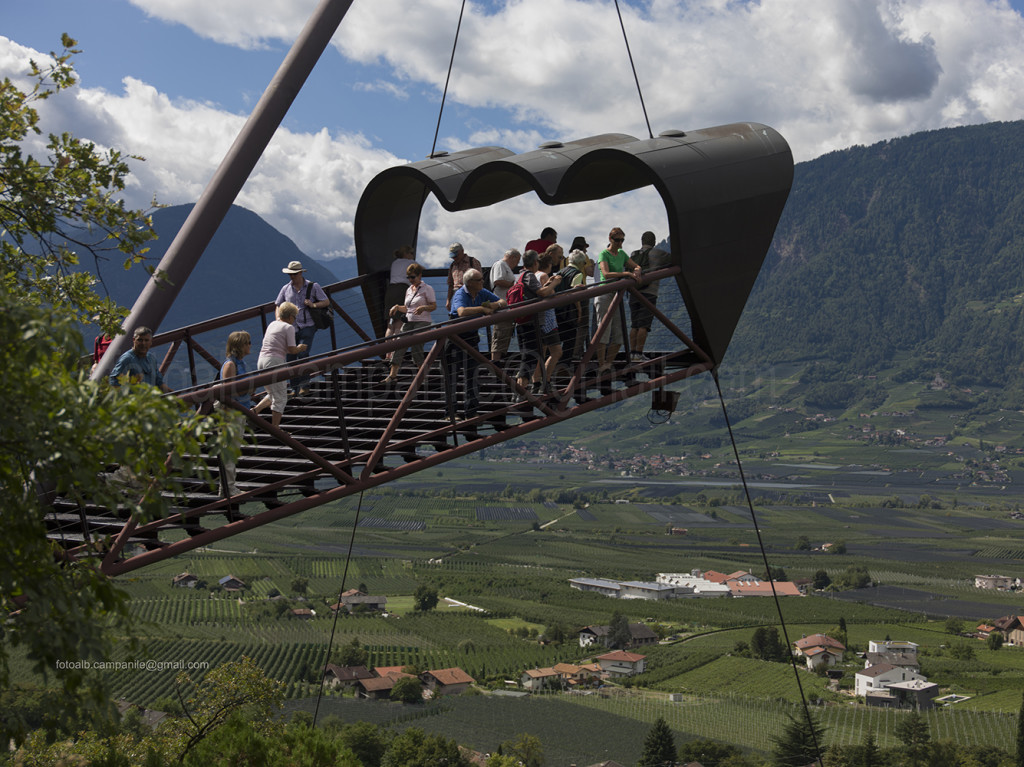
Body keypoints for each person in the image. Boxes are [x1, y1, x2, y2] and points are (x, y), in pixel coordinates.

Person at [447, 268, 506, 425]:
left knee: (472, 375)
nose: (483, 282)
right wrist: (482, 309)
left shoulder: (482, 292)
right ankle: (451, 413)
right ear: (470, 283)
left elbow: (502, 301)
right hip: (455, 338)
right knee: (452, 376)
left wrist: (492, 305)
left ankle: (471, 412)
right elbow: (461, 311)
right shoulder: (460, 294)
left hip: (471, 337)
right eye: (480, 280)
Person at [275, 260, 328, 397]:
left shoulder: (313, 286)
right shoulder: (285, 289)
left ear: (300, 273)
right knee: (291, 357)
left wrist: (313, 305)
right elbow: (278, 305)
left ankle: (304, 386)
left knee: (303, 354)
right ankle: (294, 388)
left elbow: (326, 301)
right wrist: (278, 319)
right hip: (290, 328)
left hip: (308, 326)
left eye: (294, 274)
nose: (291, 277)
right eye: (290, 274)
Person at [514, 250, 562, 398]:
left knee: (530, 357)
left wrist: (548, 283)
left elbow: (536, 292)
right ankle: (521, 393)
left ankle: (525, 390)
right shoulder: (529, 275)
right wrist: (555, 282)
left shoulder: (521, 276)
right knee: (529, 359)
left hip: (523, 320)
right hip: (531, 322)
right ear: (535, 263)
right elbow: (542, 293)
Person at [593, 227, 642, 373]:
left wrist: (637, 270)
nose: (620, 243)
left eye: (622, 240)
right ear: (610, 239)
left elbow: (636, 265)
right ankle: (601, 364)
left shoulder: (621, 253)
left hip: (617, 295)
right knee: (604, 331)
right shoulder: (603, 254)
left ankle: (608, 363)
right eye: (617, 240)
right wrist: (626, 273)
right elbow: (606, 274)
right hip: (605, 294)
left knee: (619, 333)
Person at [383, 262, 437, 383]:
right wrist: (397, 307)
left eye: (413, 277)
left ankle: (423, 375)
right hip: (409, 321)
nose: (410, 280)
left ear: (419, 276)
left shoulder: (427, 289)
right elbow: (407, 308)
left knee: (416, 348)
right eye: (408, 277)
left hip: (422, 322)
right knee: (399, 344)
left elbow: (433, 306)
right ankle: (392, 375)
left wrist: (424, 308)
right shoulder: (409, 289)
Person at [256, 302, 307, 429]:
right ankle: (275, 428)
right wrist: (300, 348)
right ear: (290, 317)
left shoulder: (272, 324)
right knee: (281, 397)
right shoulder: (288, 327)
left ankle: (254, 412)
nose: (294, 321)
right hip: (275, 362)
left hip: (262, 360)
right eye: (294, 317)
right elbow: (291, 350)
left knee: (273, 393)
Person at [218, 330, 254, 498]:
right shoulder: (231, 365)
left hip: (240, 410)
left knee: (233, 450)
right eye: (247, 342)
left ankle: (227, 486)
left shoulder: (239, 363)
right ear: (240, 345)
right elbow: (228, 392)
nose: (250, 345)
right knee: (230, 450)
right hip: (232, 413)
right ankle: (228, 488)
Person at [629, 231, 671, 361]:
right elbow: (675, 259)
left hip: (634, 293)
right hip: (649, 293)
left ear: (642, 241)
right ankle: (639, 353)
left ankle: (632, 353)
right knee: (644, 325)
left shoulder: (633, 254)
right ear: (653, 241)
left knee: (634, 325)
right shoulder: (657, 253)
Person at [108, 326, 172, 392]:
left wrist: (177, 397)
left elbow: (159, 383)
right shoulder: (127, 359)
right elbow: (114, 381)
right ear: (134, 340)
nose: (143, 343)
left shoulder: (151, 358)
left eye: (146, 340)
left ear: (151, 342)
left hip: (149, 399)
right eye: (140, 340)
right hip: (134, 401)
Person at [489, 248, 521, 361]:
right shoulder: (500, 264)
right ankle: (495, 364)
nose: (516, 264)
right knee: (499, 337)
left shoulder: (504, 266)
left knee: (503, 338)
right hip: (501, 307)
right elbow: (498, 281)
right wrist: (514, 285)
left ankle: (498, 363)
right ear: (513, 257)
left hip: (506, 307)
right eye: (517, 261)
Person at [384, 245, 417, 351]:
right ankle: (395, 352)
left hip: (390, 290)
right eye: (411, 253)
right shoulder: (411, 263)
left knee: (390, 323)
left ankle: (387, 351)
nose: (413, 255)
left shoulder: (395, 262)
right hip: (402, 291)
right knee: (399, 323)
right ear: (406, 254)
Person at [445, 242, 482, 312]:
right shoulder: (453, 265)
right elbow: (450, 284)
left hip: (470, 293)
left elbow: (479, 280)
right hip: (456, 294)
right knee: (456, 316)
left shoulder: (472, 261)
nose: (454, 258)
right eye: (453, 256)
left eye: (456, 255)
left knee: (470, 316)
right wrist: (448, 300)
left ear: (462, 251)